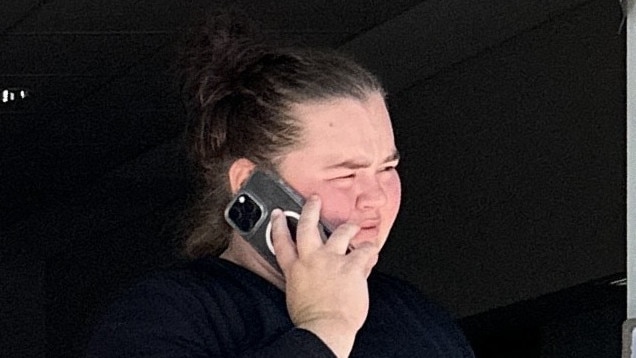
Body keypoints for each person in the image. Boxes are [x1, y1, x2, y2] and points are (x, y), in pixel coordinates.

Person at [87, 13, 474, 358]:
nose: (376, 197)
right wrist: (324, 328)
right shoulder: (168, 313)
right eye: (345, 174)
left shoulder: (418, 317)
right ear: (250, 183)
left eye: (387, 168)